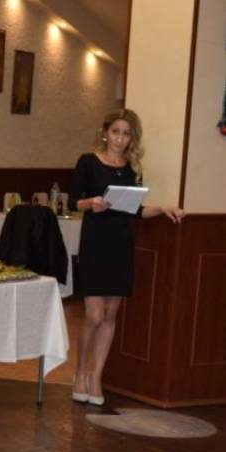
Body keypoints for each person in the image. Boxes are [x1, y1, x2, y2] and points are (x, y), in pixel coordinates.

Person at [69, 109, 184, 406]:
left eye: (126, 134)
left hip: (121, 243)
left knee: (110, 315)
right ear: (106, 132)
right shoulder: (88, 161)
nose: (120, 139)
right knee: (94, 315)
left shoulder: (132, 169)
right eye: (116, 132)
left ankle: (96, 377)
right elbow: (72, 201)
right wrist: (91, 202)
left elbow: (136, 210)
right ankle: (80, 371)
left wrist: (163, 208)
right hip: (95, 243)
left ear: (132, 138)